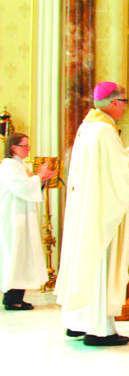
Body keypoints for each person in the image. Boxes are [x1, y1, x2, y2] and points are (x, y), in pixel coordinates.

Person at [57, 81, 129, 346]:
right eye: (124, 103)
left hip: (90, 207)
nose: (125, 108)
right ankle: (99, 330)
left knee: (86, 260)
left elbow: (111, 166)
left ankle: (77, 322)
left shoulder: (88, 127)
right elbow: (121, 173)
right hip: (100, 212)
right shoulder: (102, 130)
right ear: (114, 103)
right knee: (98, 261)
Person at [0, 133, 55, 311]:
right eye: (25, 146)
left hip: (22, 216)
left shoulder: (21, 165)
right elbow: (21, 187)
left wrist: (42, 179)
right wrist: (38, 176)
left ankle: (17, 296)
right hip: (13, 217)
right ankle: (11, 298)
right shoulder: (8, 166)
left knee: (22, 256)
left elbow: (29, 185)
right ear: (13, 148)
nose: (29, 149)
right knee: (16, 255)